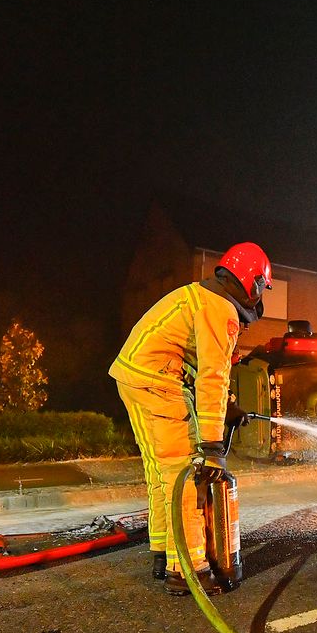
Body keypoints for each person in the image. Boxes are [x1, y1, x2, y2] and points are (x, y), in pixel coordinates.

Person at [109, 241, 272, 594]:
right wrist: (212, 446)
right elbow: (211, 376)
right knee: (183, 474)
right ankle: (187, 569)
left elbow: (205, 367)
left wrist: (225, 407)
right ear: (253, 281)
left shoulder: (202, 296)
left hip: (136, 375)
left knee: (161, 472)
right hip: (158, 381)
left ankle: (164, 552)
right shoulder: (220, 309)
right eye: (261, 288)